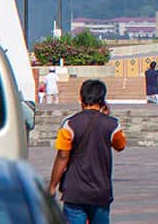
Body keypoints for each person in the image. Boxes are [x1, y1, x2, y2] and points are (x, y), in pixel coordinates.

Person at [49, 79, 127, 224]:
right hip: (101, 191)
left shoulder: (70, 124)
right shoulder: (112, 125)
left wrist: (53, 185)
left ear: (81, 98)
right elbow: (120, 146)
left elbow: (62, 156)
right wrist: (107, 115)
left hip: (74, 191)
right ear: (103, 100)